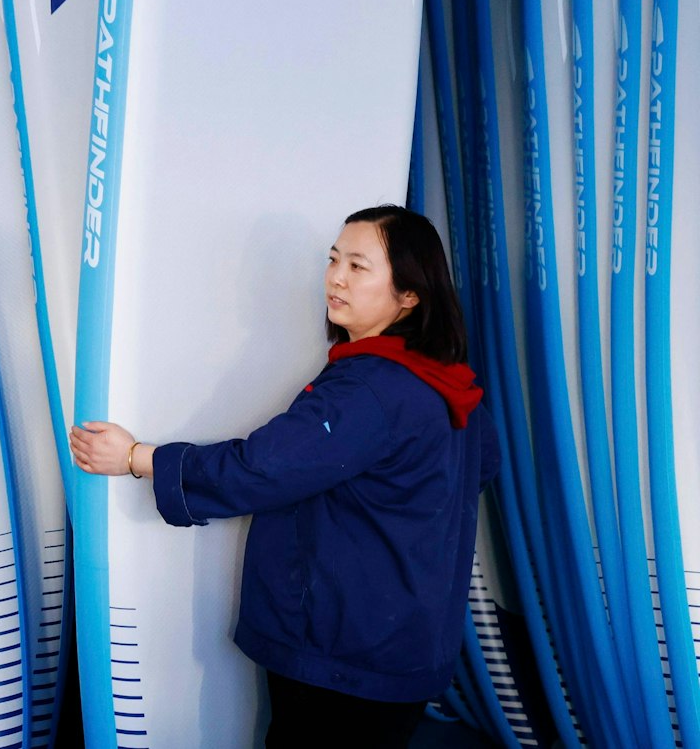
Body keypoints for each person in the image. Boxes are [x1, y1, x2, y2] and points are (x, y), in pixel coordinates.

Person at [70, 204, 498, 747]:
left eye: (359, 266)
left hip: (345, 655)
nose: (336, 277)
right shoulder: (447, 378)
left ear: (410, 293)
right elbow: (481, 466)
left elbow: (261, 468)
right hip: (406, 640)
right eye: (333, 259)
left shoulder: (368, 391)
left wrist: (135, 456)